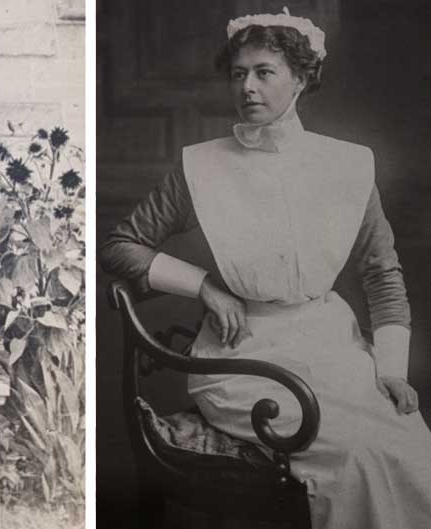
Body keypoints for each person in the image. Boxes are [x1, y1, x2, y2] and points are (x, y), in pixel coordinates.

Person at [99, 9, 431, 529]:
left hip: (336, 353)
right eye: (238, 74)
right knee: (355, 456)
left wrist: (389, 367)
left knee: (411, 449)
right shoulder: (201, 167)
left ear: (300, 79)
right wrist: (204, 286)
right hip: (242, 360)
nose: (247, 87)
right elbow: (121, 246)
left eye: (264, 72)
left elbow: (382, 274)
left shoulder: (347, 166)